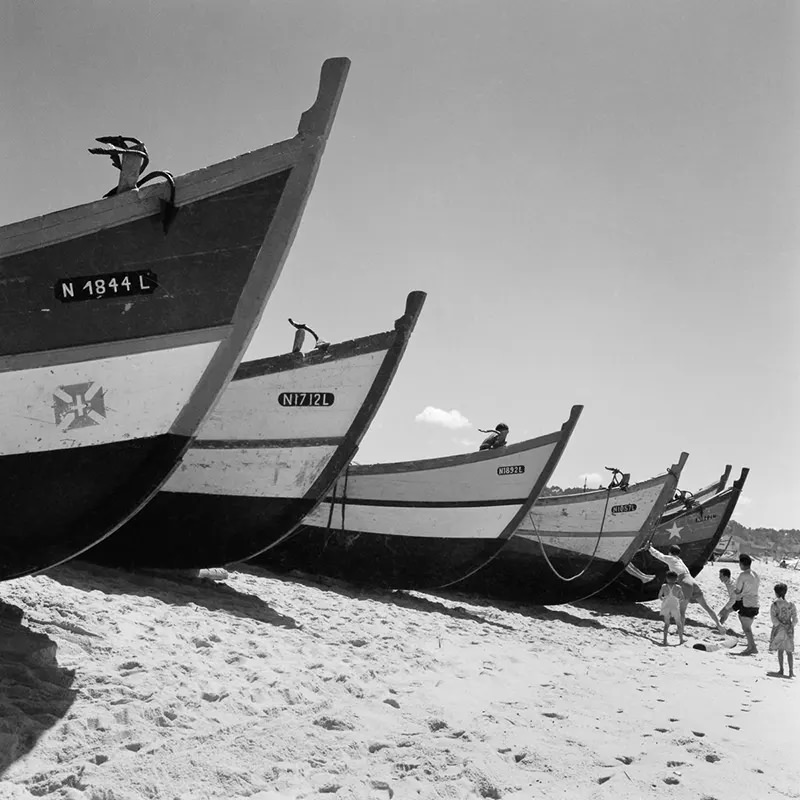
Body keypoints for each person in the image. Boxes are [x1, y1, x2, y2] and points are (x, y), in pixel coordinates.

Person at [646, 544, 725, 632]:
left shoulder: (671, 559)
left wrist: (650, 548)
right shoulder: (679, 560)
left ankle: (680, 630)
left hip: (685, 582)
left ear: (670, 552)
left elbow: (659, 556)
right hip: (693, 581)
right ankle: (719, 624)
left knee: (682, 611)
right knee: (706, 607)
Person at [731, 553, 760, 656]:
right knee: (746, 626)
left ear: (742, 564)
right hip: (755, 602)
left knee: (746, 628)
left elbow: (738, 590)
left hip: (746, 602)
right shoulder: (755, 574)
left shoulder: (743, 575)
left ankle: (752, 647)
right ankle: (751, 646)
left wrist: (734, 591)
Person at [768, 582, 796, 678]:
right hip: (788, 629)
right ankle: (791, 671)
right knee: (789, 651)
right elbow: (795, 619)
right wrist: (791, 625)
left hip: (779, 629)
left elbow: (773, 618)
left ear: (776, 593)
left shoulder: (775, 604)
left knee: (780, 650)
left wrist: (779, 625)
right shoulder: (791, 605)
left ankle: (781, 669)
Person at [658, 570, 685, 645]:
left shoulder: (664, 586)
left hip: (666, 606)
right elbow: (682, 597)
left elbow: (660, 596)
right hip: (675, 606)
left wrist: (664, 599)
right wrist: (678, 601)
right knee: (679, 624)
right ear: (676, 579)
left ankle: (665, 640)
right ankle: (681, 640)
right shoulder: (678, 587)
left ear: (666, 578)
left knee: (666, 624)